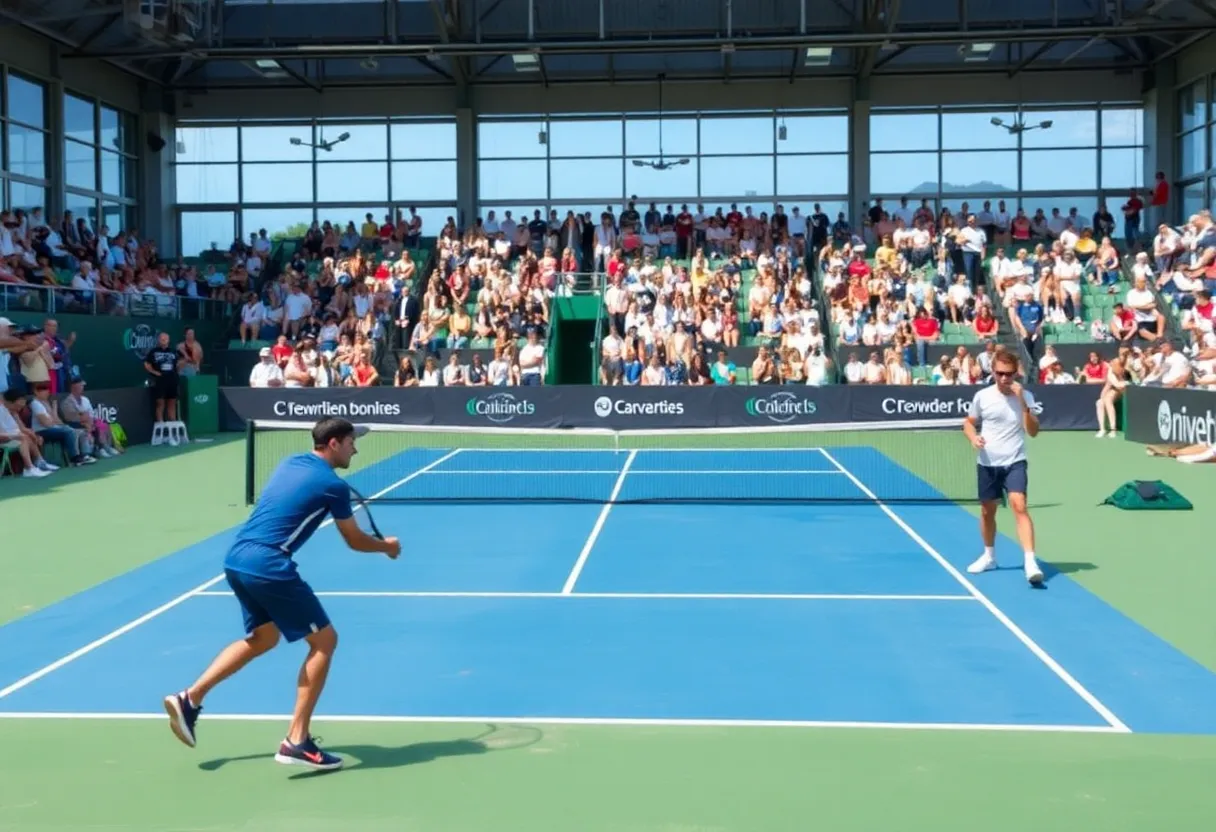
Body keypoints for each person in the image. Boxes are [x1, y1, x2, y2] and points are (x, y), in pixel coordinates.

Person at [163, 417, 401, 771]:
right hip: (269, 565)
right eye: (351, 441)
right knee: (325, 641)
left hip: (237, 559)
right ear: (333, 443)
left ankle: (190, 698)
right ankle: (296, 741)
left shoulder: (290, 462)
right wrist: (386, 547)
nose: (356, 447)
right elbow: (353, 540)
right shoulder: (333, 486)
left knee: (263, 638)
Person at [962, 349, 1044, 586]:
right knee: (988, 511)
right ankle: (989, 556)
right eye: (999, 373)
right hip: (988, 463)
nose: (1004, 378)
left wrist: (1022, 403)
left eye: (1009, 374)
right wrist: (973, 438)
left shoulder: (1025, 396)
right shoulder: (982, 396)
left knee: (1019, 504)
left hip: (1015, 461)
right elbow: (968, 423)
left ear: (1016, 373)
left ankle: (1030, 562)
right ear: (993, 372)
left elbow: (1033, 432)